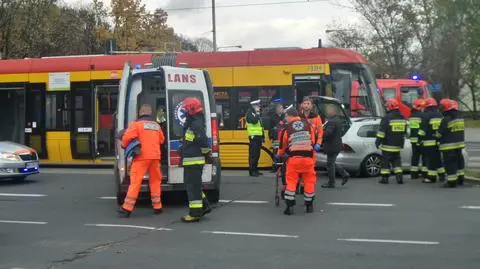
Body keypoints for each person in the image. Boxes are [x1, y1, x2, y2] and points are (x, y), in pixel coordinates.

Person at [118, 104, 165, 218]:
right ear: (150, 113)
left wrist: (124, 146)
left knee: (135, 182)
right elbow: (162, 140)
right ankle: (157, 207)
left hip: (141, 157)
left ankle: (127, 208)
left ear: (140, 113)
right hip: (155, 157)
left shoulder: (136, 125)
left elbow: (126, 138)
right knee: (155, 181)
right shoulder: (156, 126)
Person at [277, 107, 317, 215]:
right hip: (308, 159)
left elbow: (282, 146)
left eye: (286, 116)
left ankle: (289, 207)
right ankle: (309, 206)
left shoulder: (287, 129)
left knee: (291, 182)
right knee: (309, 181)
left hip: (294, 160)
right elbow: (313, 141)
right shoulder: (309, 126)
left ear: (290, 116)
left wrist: (278, 155)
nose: (285, 119)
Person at [179, 97, 212, 222]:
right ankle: (205, 205)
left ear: (192, 109)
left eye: (187, 109)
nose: (185, 111)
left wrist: (206, 153)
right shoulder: (194, 120)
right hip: (192, 159)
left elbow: (202, 141)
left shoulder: (196, 123)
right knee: (194, 186)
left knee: (193, 187)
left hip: (194, 160)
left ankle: (195, 213)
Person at [375, 98, 407, 184]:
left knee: (385, 162)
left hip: (387, 146)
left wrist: (377, 142)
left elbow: (381, 132)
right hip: (397, 146)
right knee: (397, 162)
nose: (387, 108)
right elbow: (404, 132)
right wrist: (401, 144)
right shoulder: (402, 117)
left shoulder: (387, 118)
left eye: (387, 107)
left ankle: (384, 179)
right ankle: (399, 177)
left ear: (391, 107)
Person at [438, 99, 465, 187]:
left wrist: (435, 135)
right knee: (459, 162)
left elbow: (440, 133)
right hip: (459, 145)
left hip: (448, 146)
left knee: (450, 164)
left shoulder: (446, 119)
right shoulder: (460, 118)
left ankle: (451, 182)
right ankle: (461, 179)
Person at [321, 104, 350, 188]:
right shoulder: (337, 119)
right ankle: (344, 174)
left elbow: (328, 133)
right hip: (336, 145)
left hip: (332, 145)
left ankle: (331, 182)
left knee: (330, 164)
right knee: (331, 163)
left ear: (333, 111)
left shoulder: (332, 121)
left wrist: (321, 132)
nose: (327, 112)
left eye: (328, 110)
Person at [418, 98, 446, 183]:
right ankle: (441, 174)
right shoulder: (440, 115)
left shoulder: (426, 115)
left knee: (430, 160)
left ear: (426, 106)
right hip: (438, 141)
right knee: (437, 158)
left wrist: (419, 139)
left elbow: (423, 130)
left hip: (429, 142)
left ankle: (431, 177)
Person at [246, 99, 265, 177]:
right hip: (253, 137)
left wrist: (263, 136)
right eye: (257, 105)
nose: (259, 107)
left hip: (258, 137)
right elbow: (253, 121)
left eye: (259, 105)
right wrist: (257, 113)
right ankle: (252, 171)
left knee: (257, 154)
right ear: (253, 106)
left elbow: (260, 126)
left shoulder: (257, 114)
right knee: (253, 155)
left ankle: (256, 170)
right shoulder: (249, 114)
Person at [409, 99, 426, 179]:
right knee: (424, 157)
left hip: (413, 140)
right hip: (421, 139)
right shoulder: (422, 116)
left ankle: (414, 174)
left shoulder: (411, 116)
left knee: (415, 157)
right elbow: (423, 128)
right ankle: (424, 173)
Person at [268, 101, 285, 172]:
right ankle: (274, 168)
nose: (282, 109)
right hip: (275, 138)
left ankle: (282, 168)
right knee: (275, 152)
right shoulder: (273, 117)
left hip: (283, 138)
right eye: (280, 108)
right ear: (277, 109)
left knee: (282, 152)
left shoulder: (284, 116)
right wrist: (271, 137)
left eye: (282, 108)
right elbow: (270, 128)